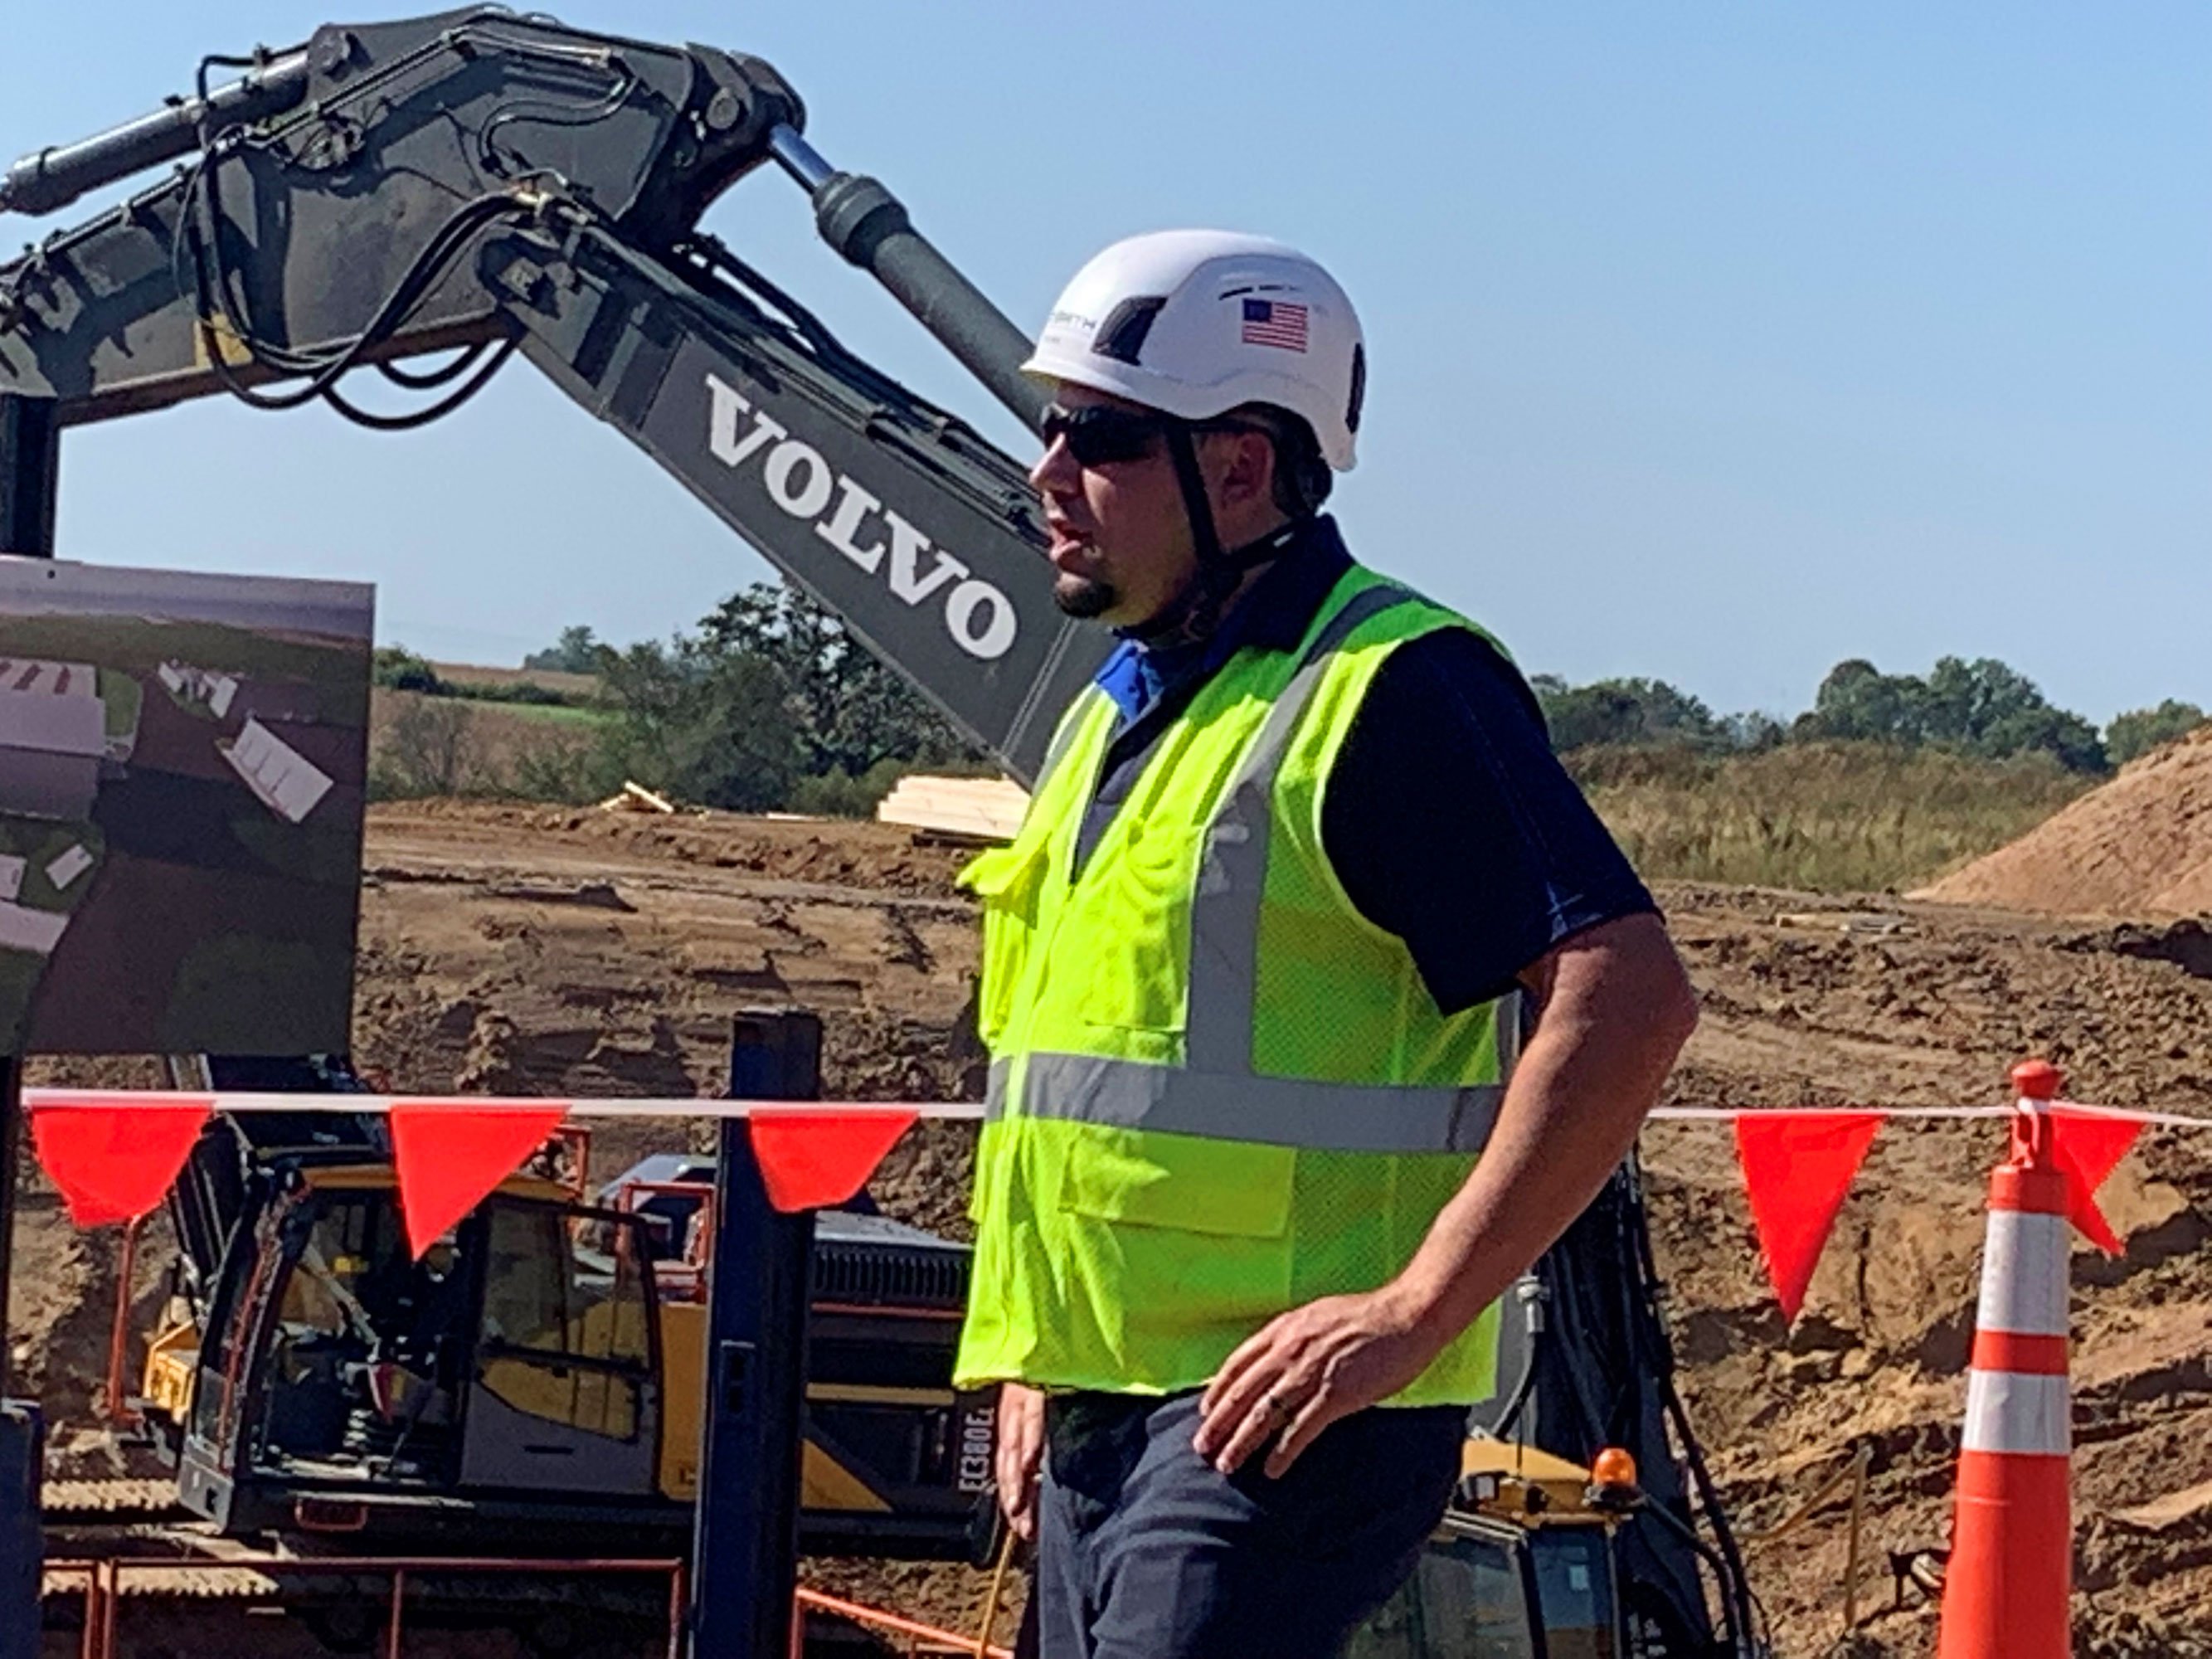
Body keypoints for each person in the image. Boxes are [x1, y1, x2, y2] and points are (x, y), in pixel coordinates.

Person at [955, 230, 1699, 1659]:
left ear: (1242, 466)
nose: (1049, 470)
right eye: (1049, 425)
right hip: (1101, 1402)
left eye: (1100, 435)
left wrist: (1417, 1313)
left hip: (1286, 1410)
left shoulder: (1397, 690)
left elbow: (1629, 994)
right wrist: (1040, 1366)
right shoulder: (1116, 706)